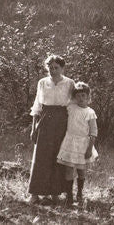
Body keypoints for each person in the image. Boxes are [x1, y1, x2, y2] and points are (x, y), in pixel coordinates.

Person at [27, 54, 75, 204]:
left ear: (62, 68)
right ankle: (34, 194)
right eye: (50, 68)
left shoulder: (69, 83)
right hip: (45, 120)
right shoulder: (42, 82)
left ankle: (55, 193)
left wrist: (73, 127)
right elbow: (37, 105)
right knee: (40, 156)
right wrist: (34, 128)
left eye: (56, 68)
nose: (53, 71)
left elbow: (73, 106)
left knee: (58, 157)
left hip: (62, 121)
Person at [56, 81, 98, 207]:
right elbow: (65, 98)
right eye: (78, 95)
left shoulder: (90, 112)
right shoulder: (71, 107)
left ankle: (79, 192)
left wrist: (90, 148)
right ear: (74, 97)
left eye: (83, 95)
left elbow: (93, 132)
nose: (80, 98)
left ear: (88, 97)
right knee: (69, 169)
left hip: (83, 144)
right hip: (70, 142)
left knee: (81, 170)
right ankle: (69, 196)